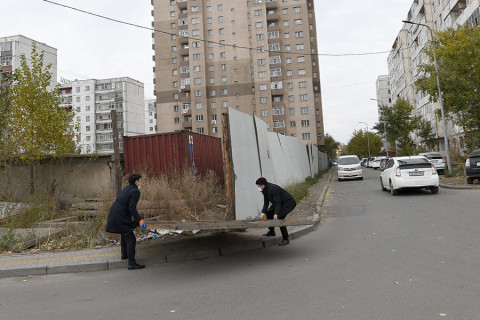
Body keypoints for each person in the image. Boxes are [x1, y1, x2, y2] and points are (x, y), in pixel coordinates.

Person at [106, 173, 146, 270]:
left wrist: (135, 220)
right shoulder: (135, 191)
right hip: (120, 217)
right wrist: (140, 220)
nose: (141, 183)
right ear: (136, 182)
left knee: (125, 234)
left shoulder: (127, 189)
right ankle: (131, 263)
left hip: (114, 215)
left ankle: (124, 255)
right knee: (131, 238)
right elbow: (132, 208)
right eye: (140, 181)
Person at [256, 177, 296, 246]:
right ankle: (272, 232)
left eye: (258, 186)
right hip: (278, 203)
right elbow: (266, 203)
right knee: (269, 213)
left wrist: (276, 214)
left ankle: (285, 239)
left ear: (263, 185)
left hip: (288, 202)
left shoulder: (273, 188)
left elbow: (278, 203)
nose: (258, 187)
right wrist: (263, 213)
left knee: (280, 217)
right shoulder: (264, 190)